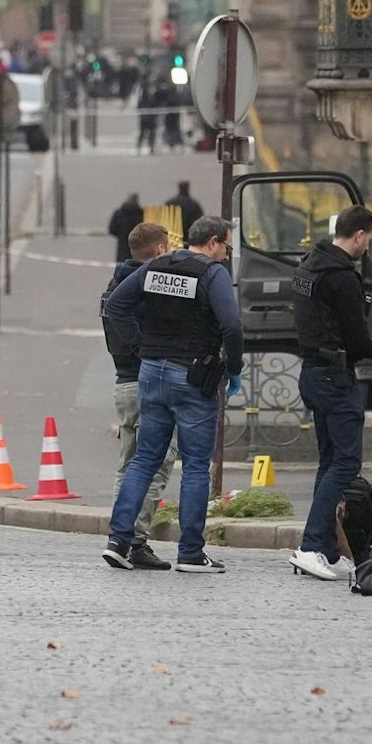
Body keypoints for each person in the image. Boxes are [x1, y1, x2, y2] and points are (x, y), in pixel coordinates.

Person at [101, 215, 244, 574]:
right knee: (196, 464)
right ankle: (192, 553)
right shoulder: (212, 274)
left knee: (145, 459)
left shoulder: (157, 266)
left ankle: (119, 542)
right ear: (212, 242)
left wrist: (141, 346)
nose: (227, 255)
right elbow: (231, 324)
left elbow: (116, 304)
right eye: (227, 246)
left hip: (151, 373)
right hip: (193, 376)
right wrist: (235, 368)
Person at [289, 205, 372, 581]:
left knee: (329, 463)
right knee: (344, 464)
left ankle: (325, 548)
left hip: (311, 372)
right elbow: (356, 340)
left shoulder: (309, 265)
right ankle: (310, 547)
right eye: (368, 239)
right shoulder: (342, 278)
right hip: (335, 378)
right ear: (359, 234)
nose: (367, 247)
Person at [103, 221, 176, 571]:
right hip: (148, 381)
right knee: (157, 463)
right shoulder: (151, 288)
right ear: (160, 249)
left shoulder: (114, 285)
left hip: (123, 383)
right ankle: (135, 539)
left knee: (127, 464)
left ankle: (119, 535)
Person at [107, 192, 145, 264]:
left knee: (121, 267)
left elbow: (111, 229)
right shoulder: (141, 213)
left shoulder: (119, 213)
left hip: (122, 245)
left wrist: (120, 235)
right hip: (137, 247)